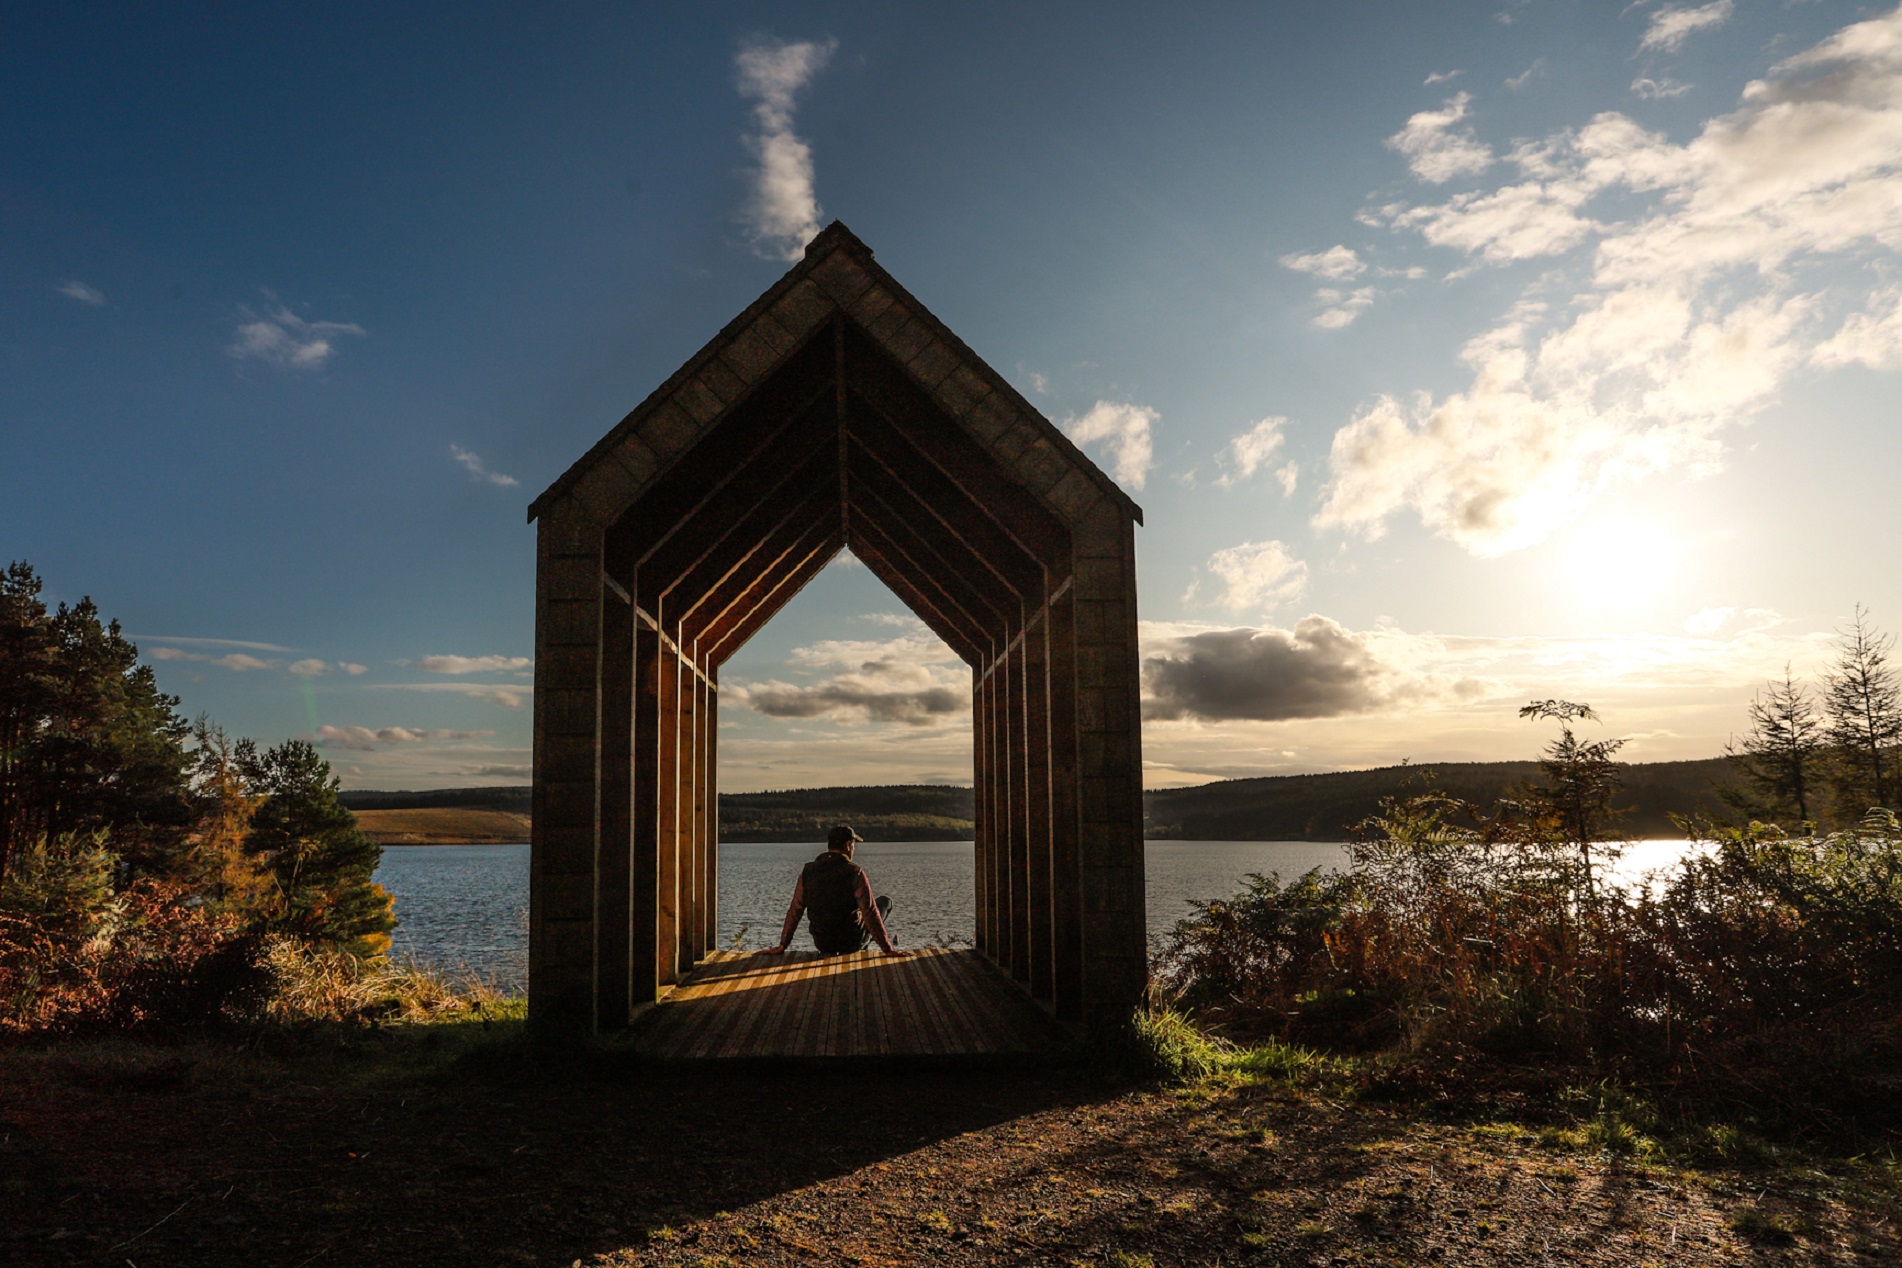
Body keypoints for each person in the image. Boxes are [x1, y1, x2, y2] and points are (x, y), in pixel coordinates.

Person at [760, 824, 911, 957]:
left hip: (822, 943)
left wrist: (783, 945)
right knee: (885, 902)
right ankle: (862, 948)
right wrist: (888, 949)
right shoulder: (855, 872)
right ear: (847, 846)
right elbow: (870, 912)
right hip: (851, 943)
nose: (854, 850)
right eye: (853, 845)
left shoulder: (808, 871)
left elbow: (795, 909)